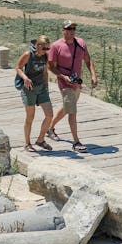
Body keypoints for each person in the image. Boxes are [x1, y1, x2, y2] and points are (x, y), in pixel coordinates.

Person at [47, 20, 97, 152]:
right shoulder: (56, 46)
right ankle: (76, 142)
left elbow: (88, 60)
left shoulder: (80, 43)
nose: (71, 31)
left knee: (67, 107)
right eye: (69, 29)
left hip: (76, 83)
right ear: (63, 30)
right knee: (72, 112)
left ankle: (50, 128)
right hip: (65, 83)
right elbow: (50, 66)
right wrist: (62, 76)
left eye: (73, 28)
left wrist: (93, 75)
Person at [14, 35, 54, 153]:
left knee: (49, 115)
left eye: (48, 48)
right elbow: (18, 68)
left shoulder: (45, 56)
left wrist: (46, 87)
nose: (47, 51)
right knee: (30, 117)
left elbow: (45, 72)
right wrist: (25, 78)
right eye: (45, 48)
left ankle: (40, 140)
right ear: (38, 46)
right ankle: (27, 143)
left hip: (41, 88)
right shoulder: (28, 55)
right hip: (29, 89)